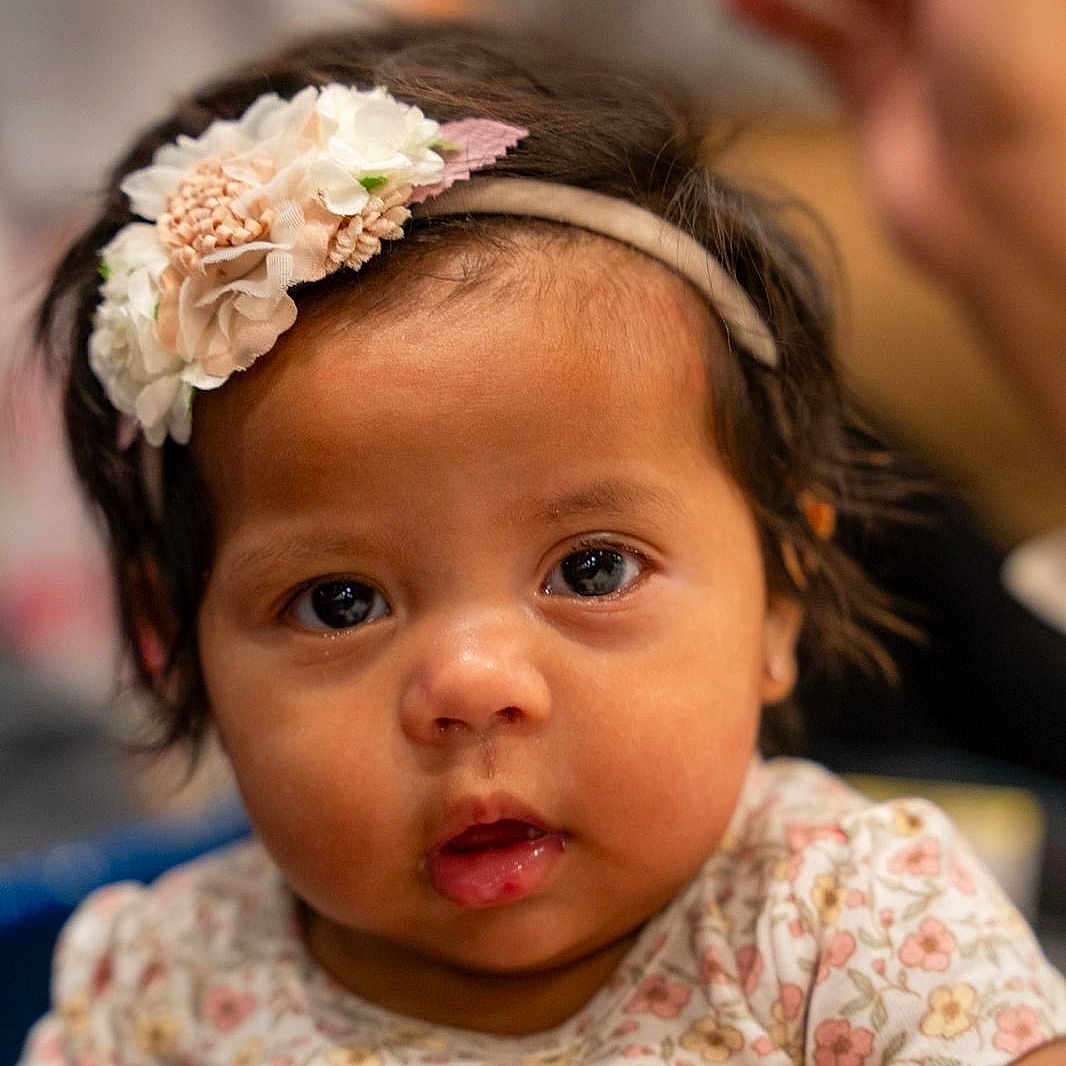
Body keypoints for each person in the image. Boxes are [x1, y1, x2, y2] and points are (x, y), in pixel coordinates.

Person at [18, 18, 1066, 1066]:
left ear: (780, 591)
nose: (471, 685)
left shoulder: (845, 926)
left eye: (591, 569)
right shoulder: (165, 987)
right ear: (176, 646)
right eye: (339, 602)